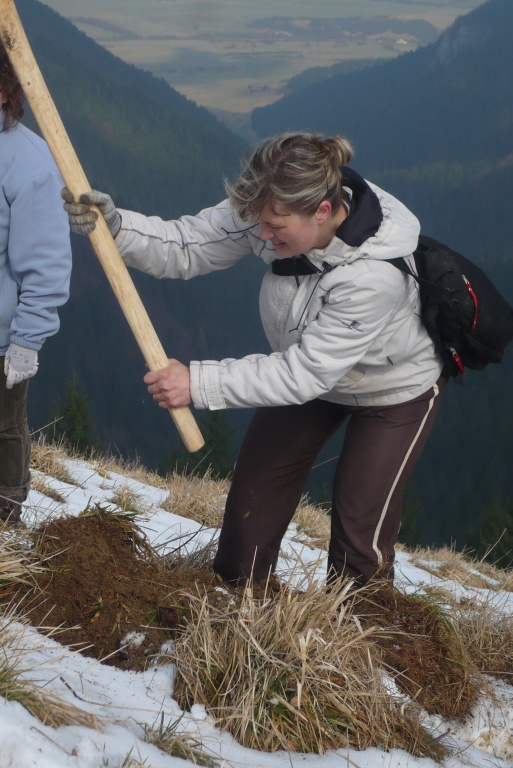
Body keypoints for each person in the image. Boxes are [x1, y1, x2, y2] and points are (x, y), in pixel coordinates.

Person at [63, 132, 445, 587]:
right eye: (258, 221)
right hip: (303, 368)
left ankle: (360, 620)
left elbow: (305, 374)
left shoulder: (373, 275)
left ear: (322, 211)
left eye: (276, 227)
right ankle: (238, 601)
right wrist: (117, 227)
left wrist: (197, 383)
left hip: (391, 390)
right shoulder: (269, 202)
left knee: (360, 528)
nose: (262, 235)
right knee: (252, 507)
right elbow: (187, 245)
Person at [0, 44, 72, 525]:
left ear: (7, 90)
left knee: (3, 426)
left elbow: (45, 263)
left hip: (3, 337)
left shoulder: (29, 163)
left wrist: (26, 341)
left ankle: (5, 518)